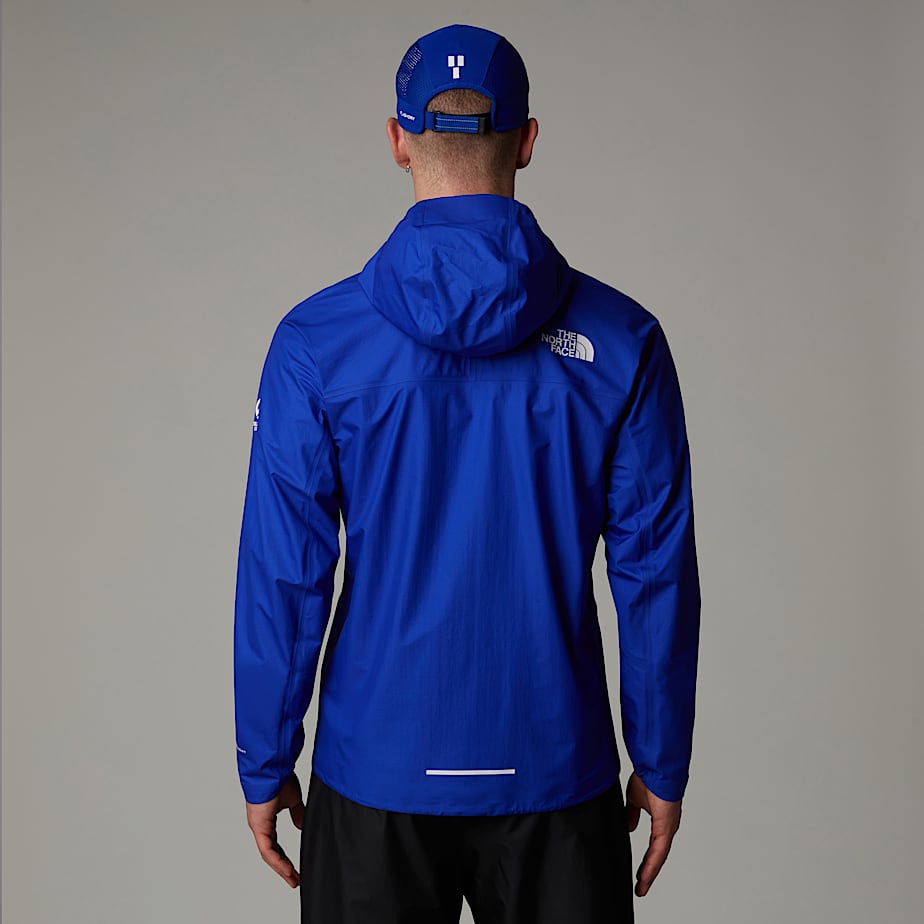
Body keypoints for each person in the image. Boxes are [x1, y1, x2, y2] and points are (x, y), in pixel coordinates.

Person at [234, 23, 700, 923]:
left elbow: (284, 573)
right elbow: (655, 572)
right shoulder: (624, 341)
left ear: (397, 139)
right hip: (556, 771)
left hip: (375, 773)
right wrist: (662, 758)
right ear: (527, 141)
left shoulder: (315, 343)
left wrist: (265, 755)